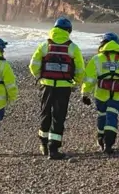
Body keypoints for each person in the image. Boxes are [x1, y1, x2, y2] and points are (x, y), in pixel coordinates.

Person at [29, 17, 85, 160]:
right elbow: (80, 69)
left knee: (45, 113)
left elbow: (33, 64)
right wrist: (75, 83)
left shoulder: (44, 45)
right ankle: (53, 149)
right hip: (64, 86)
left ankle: (43, 144)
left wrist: (40, 77)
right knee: (58, 117)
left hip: (46, 85)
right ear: (68, 31)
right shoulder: (72, 47)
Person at [81, 32, 119, 155]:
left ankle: (101, 139)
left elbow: (89, 78)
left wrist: (85, 94)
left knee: (102, 115)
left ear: (103, 44)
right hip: (118, 95)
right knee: (112, 116)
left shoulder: (97, 59)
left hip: (100, 94)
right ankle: (109, 144)